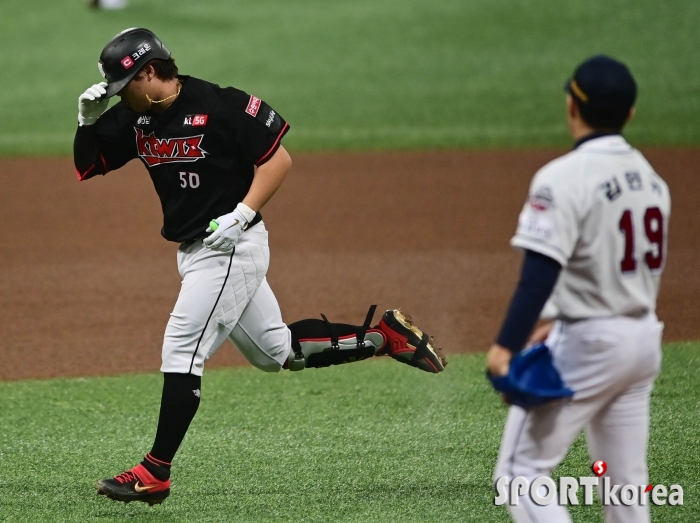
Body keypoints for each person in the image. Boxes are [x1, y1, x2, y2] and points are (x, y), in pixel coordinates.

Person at [74, 27, 446, 506]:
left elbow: (278, 160)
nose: (123, 98)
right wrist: (86, 121)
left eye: (126, 87)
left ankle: (154, 472)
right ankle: (384, 337)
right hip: (194, 253)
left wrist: (242, 213)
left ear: (149, 72)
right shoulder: (136, 117)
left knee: (182, 346)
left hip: (233, 248)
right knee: (277, 352)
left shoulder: (221, 104)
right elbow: (89, 166)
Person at [486, 55, 670, 523]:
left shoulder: (563, 177)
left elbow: (539, 273)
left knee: (520, 475)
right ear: (629, 113)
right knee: (627, 488)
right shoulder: (653, 181)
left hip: (590, 343)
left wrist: (504, 348)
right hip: (644, 339)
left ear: (573, 106)